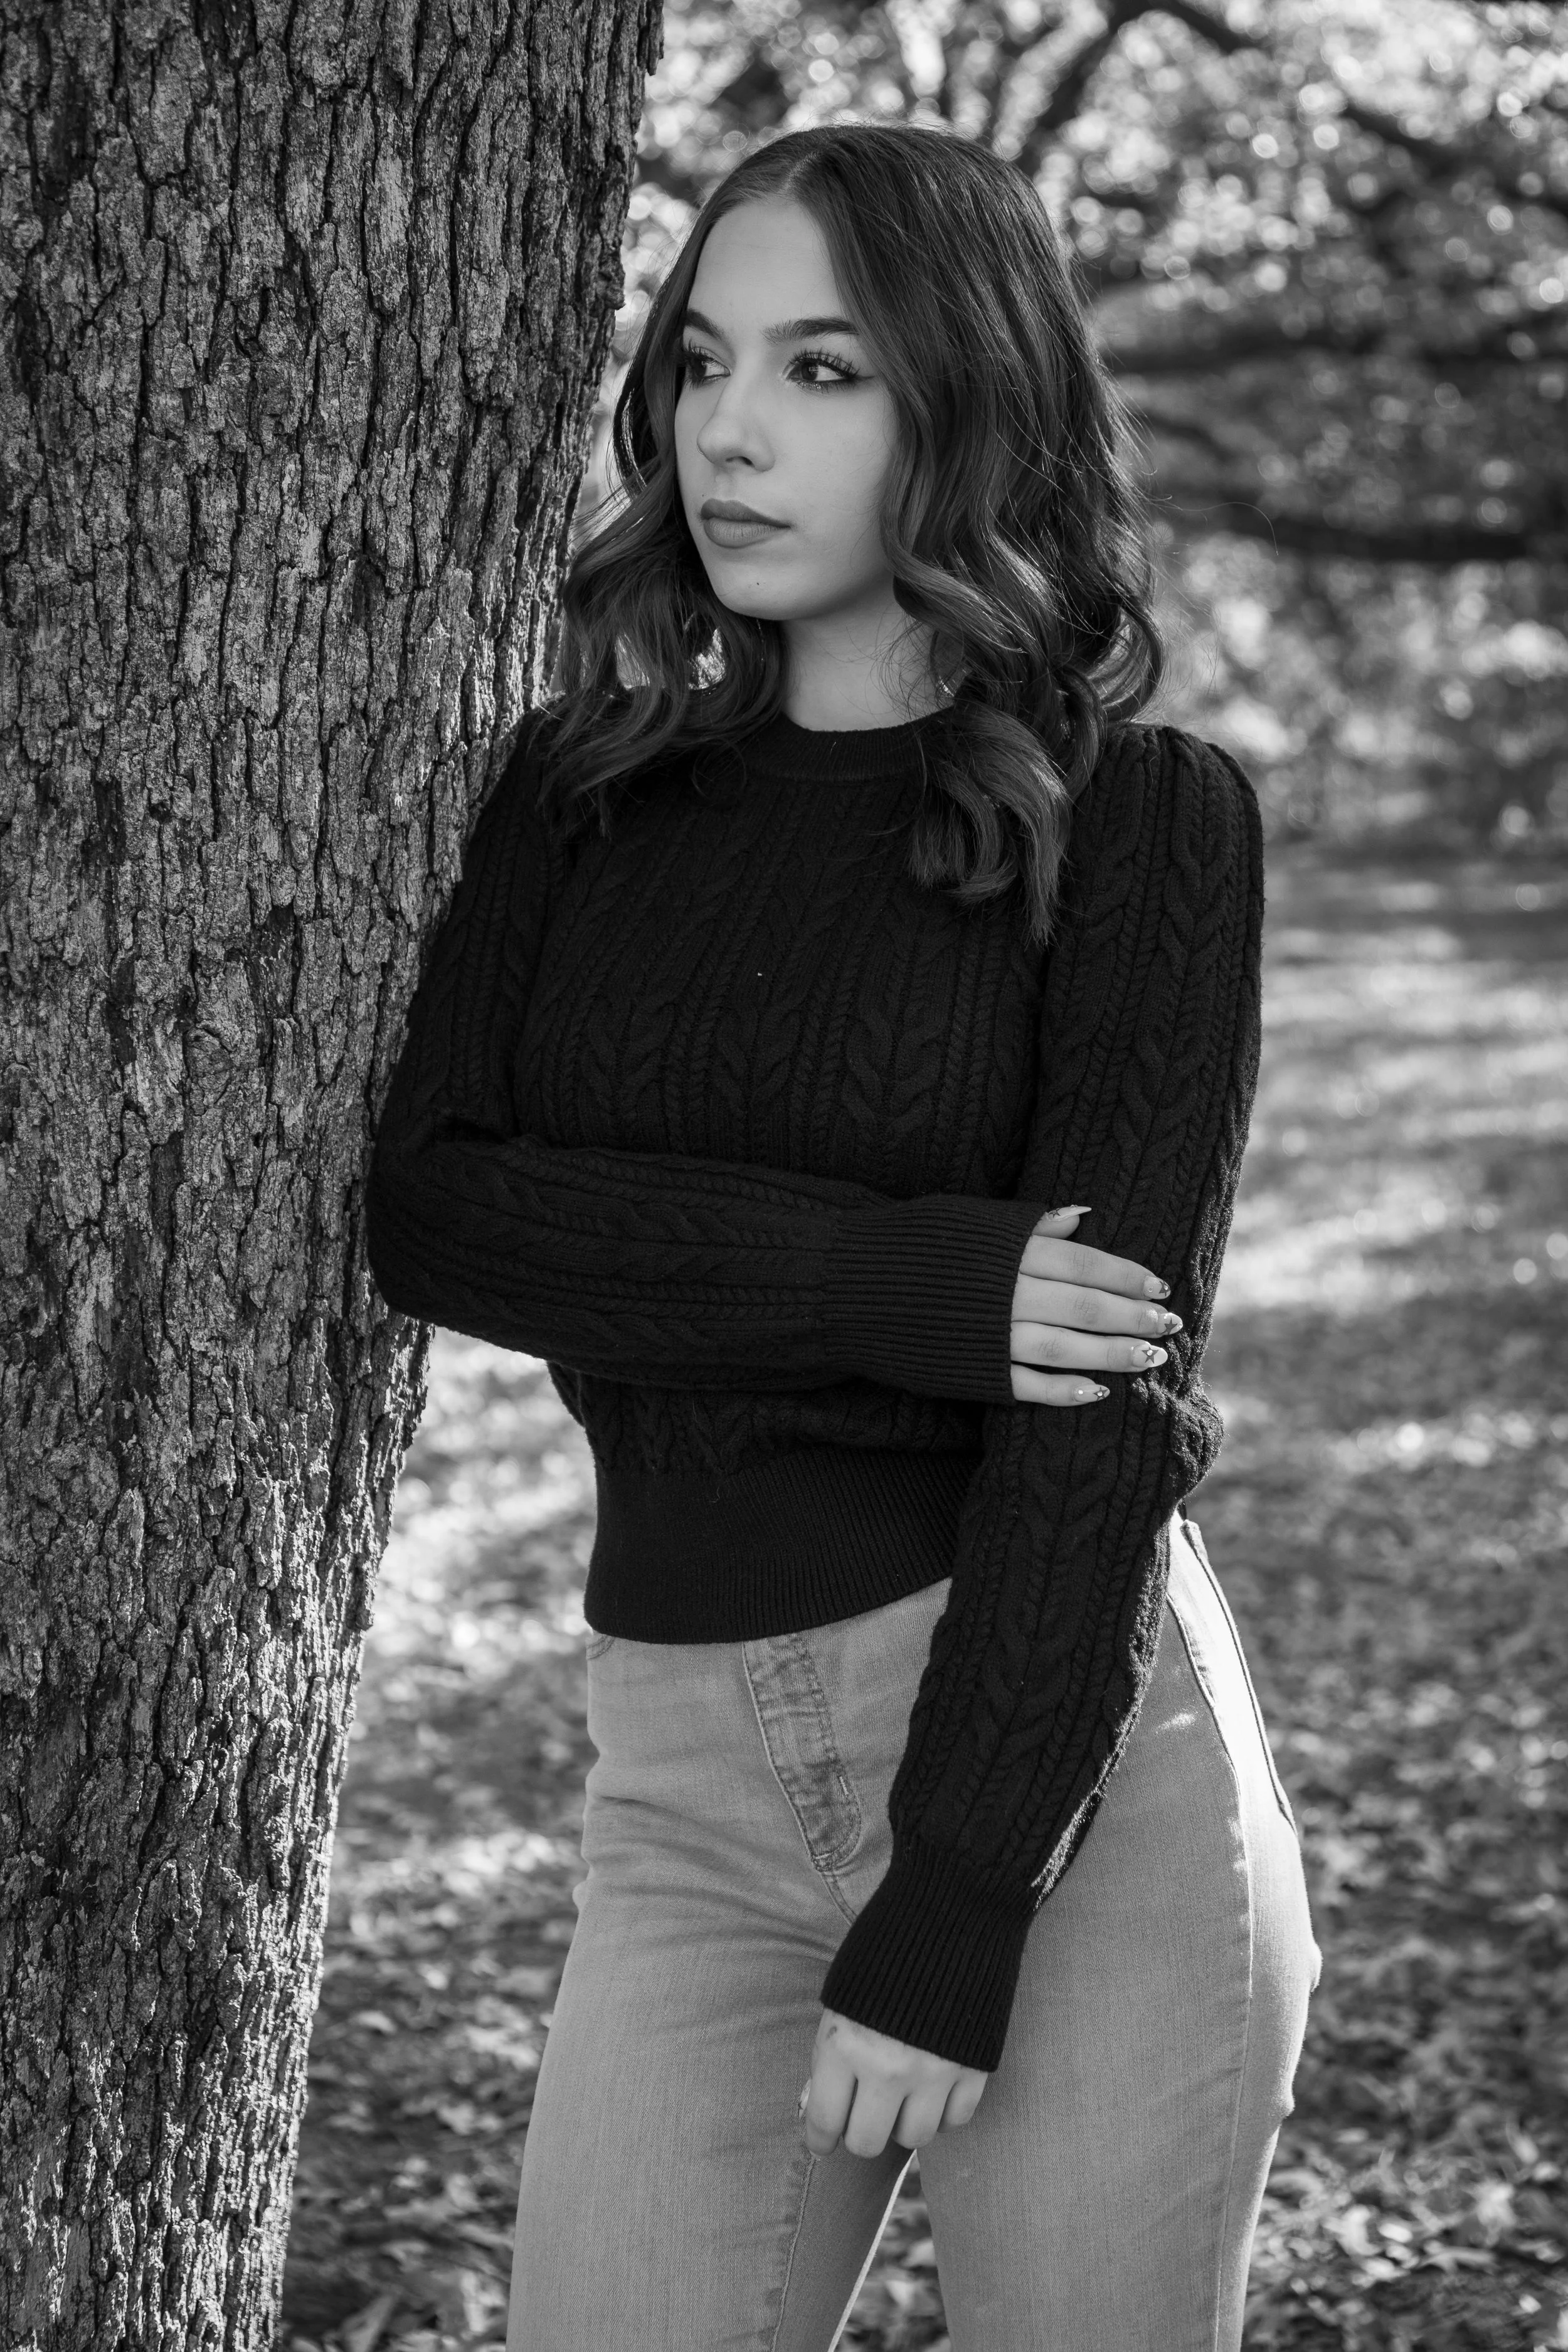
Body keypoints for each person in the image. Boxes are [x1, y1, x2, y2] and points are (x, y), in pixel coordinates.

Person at [366, 120, 1320, 2352]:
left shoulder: (1144, 826)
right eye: (702, 360)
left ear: (961, 398)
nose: (727, 429)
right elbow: (441, 1211)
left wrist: (960, 1889)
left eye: (821, 369)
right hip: (681, 1788)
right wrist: (909, 1280)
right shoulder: (579, 797)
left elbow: (1097, 1406)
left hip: (1072, 1792)